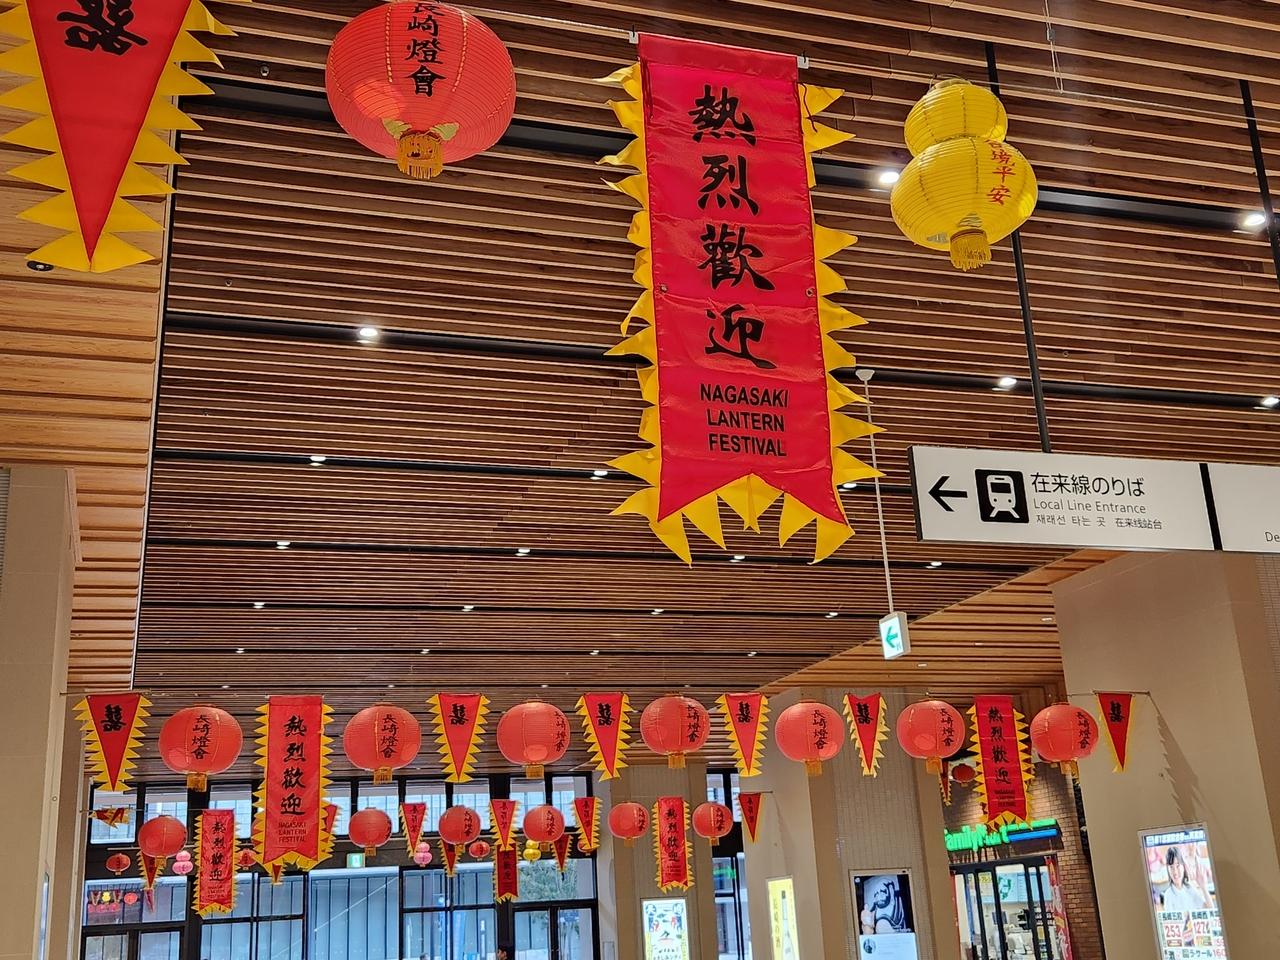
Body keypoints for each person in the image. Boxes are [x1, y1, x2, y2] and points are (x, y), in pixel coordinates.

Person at [1161, 846, 1211, 912]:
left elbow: (1210, 910)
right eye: (1171, 867)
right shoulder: (1168, 895)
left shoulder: (1190, 888)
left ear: (1183, 866)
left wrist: (1203, 887)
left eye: (1177, 866)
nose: (1175, 872)